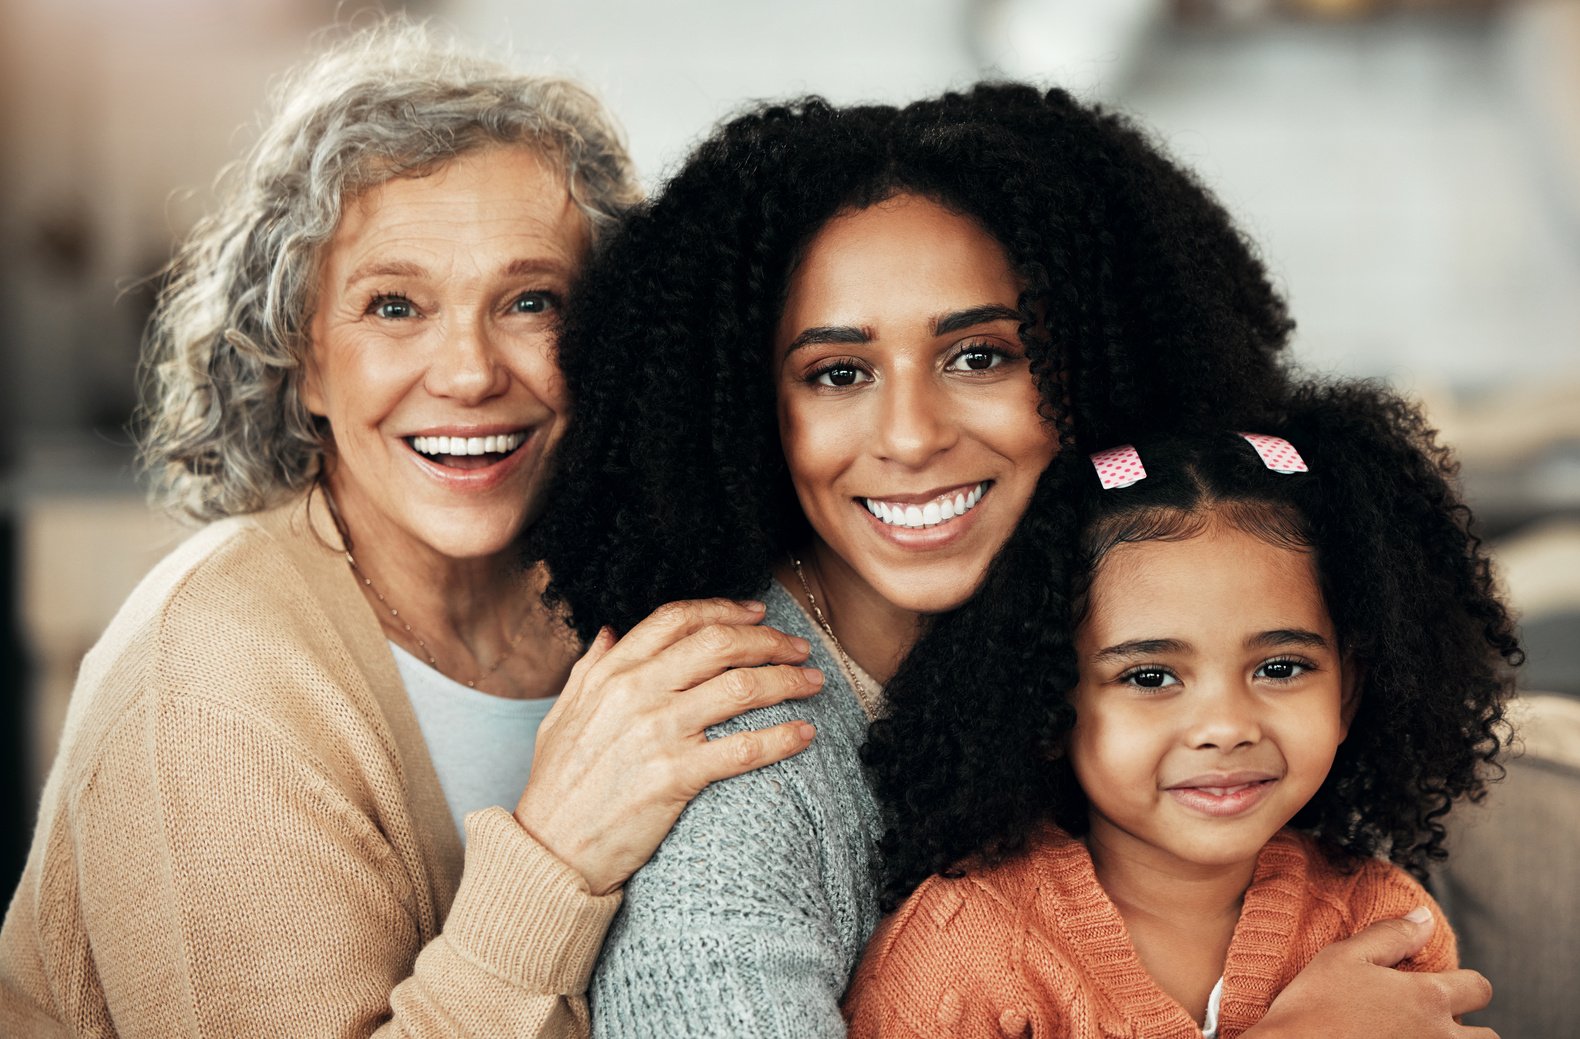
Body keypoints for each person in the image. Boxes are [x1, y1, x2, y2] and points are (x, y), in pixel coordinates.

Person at [536, 86, 1493, 1036]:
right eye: (839, 372)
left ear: (1092, 360)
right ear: (747, 410)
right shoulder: (741, 754)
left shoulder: (1145, 620)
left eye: (981, 356)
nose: (910, 436)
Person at [0, 24, 825, 1037]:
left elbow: (1064, 471)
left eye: (531, 302)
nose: (471, 372)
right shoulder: (214, 669)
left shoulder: (624, 580)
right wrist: (554, 856)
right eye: (394, 306)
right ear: (300, 359)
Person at [843, 383, 1520, 1037]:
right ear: (1050, 703)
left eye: (1280, 668)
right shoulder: (963, 954)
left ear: (1346, 694)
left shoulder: (1385, 922)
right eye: (1151, 675)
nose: (1226, 726)